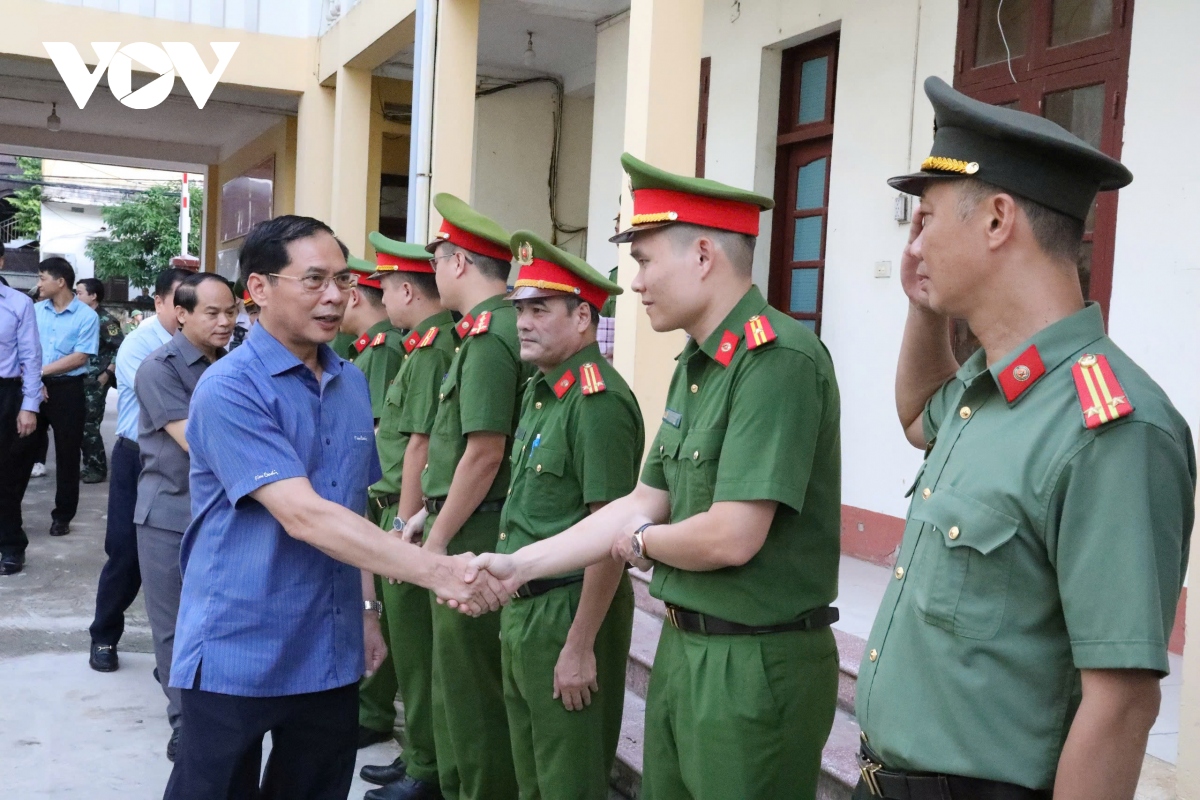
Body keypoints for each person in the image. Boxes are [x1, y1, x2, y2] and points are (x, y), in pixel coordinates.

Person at [846, 77, 1195, 800]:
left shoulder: (1110, 427)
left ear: (998, 219)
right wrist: (923, 306)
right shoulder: (991, 389)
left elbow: (1122, 702)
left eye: (928, 218)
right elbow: (917, 418)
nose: (915, 241)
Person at [469, 153, 844, 799]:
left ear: (702, 255)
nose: (633, 283)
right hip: (686, 645)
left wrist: (640, 545)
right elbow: (642, 499)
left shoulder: (774, 360)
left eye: (643, 260)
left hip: (754, 660)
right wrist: (521, 565)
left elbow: (730, 536)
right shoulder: (697, 363)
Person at [162, 215, 507, 800]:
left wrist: (368, 609)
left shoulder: (349, 382)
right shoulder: (230, 389)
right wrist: (438, 569)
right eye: (314, 279)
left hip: (326, 648)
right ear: (260, 289)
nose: (335, 297)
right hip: (237, 646)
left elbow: (352, 507)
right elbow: (305, 515)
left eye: (342, 280)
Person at [499, 230, 641, 800]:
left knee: (568, 782)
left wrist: (580, 644)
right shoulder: (543, 392)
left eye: (540, 309)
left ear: (583, 317)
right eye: (520, 310)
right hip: (526, 609)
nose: (524, 322)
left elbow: (611, 536)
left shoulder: (596, 402)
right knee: (533, 779)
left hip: (568, 611)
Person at [401, 193, 533, 800]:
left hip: (475, 529)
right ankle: (451, 784)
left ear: (457, 264)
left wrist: (439, 538)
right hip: (463, 520)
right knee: (456, 679)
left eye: (438, 260)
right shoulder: (484, 331)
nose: (434, 274)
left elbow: (483, 453)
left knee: (472, 691)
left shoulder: (489, 337)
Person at [358, 232, 459, 800]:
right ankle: (419, 755)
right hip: (403, 509)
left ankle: (426, 765)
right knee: (409, 645)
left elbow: (419, 446)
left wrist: (404, 523)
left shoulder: (431, 349)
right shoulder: (422, 346)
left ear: (402, 289)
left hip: (410, 513)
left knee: (420, 655)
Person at [134, 272, 237, 761]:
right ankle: (185, 724)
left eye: (231, 312)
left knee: (219, 622)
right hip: (170, 513)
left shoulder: (234, 361)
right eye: (212, 313)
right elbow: (198, 443)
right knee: (175, 625)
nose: (224, 322)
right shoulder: (162, 368)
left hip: (222, 513)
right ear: (182, 314)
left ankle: (215, 713)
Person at [87, 268, 190, 672]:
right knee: (126, 552)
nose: (186, 312)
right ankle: (104, 636)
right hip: (141, 456)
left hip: (188, 462)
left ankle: (173, 653)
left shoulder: (210, 345)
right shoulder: (139, 344)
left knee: (185, 556)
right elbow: (172, 403)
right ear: (160, 302)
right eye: (178, 303)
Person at [340, 253, 409, 747]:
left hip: (388, 497)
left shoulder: (383, 351)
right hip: (377, 496)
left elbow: (382, 434)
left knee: (380, 611)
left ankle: (373, 710)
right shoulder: (367, 350)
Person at [13, 258, 100, 538]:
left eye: (42, 278)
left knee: (67, 454)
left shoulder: (87, 316)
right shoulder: (35, 311)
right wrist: (34, 380)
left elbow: (80, 356)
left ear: (60, 281)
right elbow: (21, 348)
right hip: (31, 389)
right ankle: (10, 512)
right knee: (20, 451)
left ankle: (62, 516)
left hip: (67, 390)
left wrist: (39, 373)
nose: (38, 283)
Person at [0, 240, 43, 576]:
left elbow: (31, 357)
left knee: (6, 476)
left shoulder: (18, 303)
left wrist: (29, 406)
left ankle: (11, 546)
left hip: (6, 394)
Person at [75, 277, 125, 483]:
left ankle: (97, 468)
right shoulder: (82, 317)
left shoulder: (105, 320)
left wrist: (107, 374)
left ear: (93, 296)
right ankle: (89, 465)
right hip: (82, 378)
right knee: (80, 425)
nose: (76, 296)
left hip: (96, 380)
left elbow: (120, 347)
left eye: (80, 293)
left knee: (89, 425)